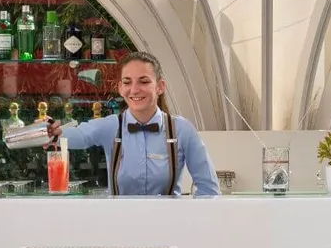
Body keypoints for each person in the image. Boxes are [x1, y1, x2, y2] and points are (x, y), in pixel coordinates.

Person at [46, 51, 220, 196]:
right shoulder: (110, 127)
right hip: (120, 227)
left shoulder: (181, 130)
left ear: (160, 86)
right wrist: (49, 132)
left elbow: (209, 189)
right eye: (128, 82)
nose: (135, 89)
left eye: (143, 81)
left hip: (167, 227)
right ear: (121, 88)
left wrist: (191, 223)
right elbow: (76, 136)